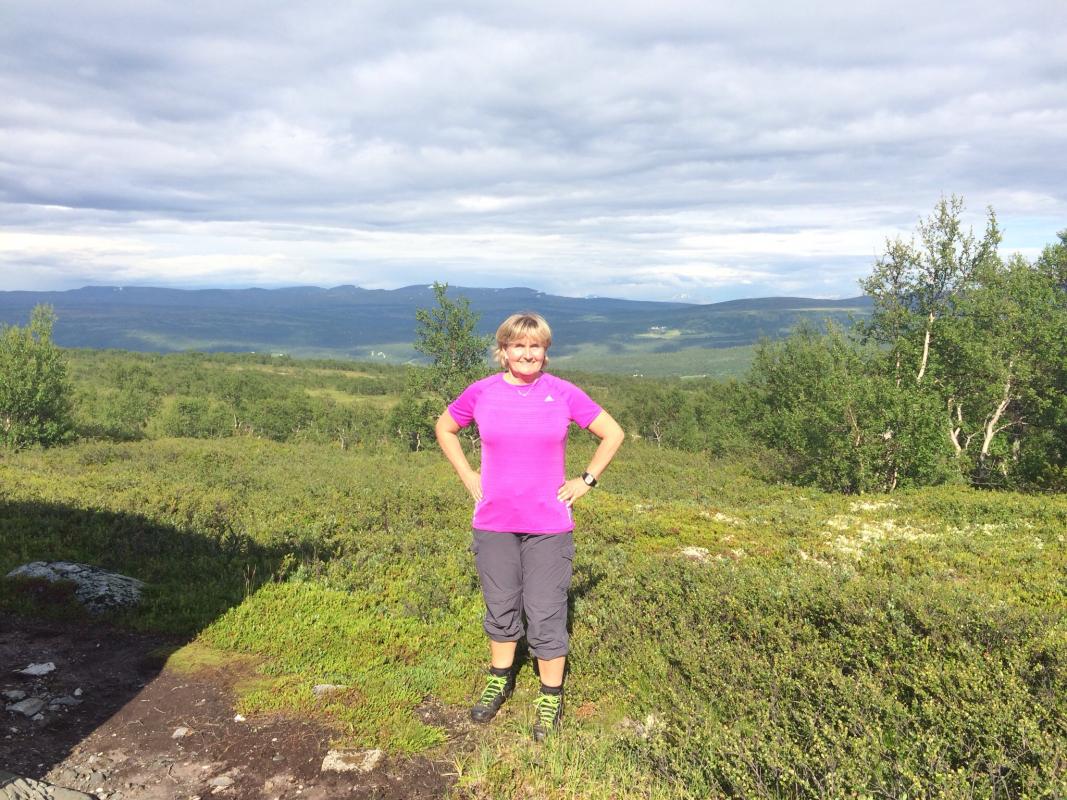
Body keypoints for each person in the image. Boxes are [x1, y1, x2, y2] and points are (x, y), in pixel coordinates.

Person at [435, 311, 624, 742]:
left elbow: (612, 433)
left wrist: (586, 480)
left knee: (546, 609)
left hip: (548, 525)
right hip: (494, 522)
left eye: (535, 346)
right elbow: (445, 427)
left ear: (545, 351)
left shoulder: (563, 393)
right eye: (517, 345)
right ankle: (499, 680)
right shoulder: (481, 392)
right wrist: (467, 475)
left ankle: (550, 696)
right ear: (503, 351)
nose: (526, 353)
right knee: (500, 605)